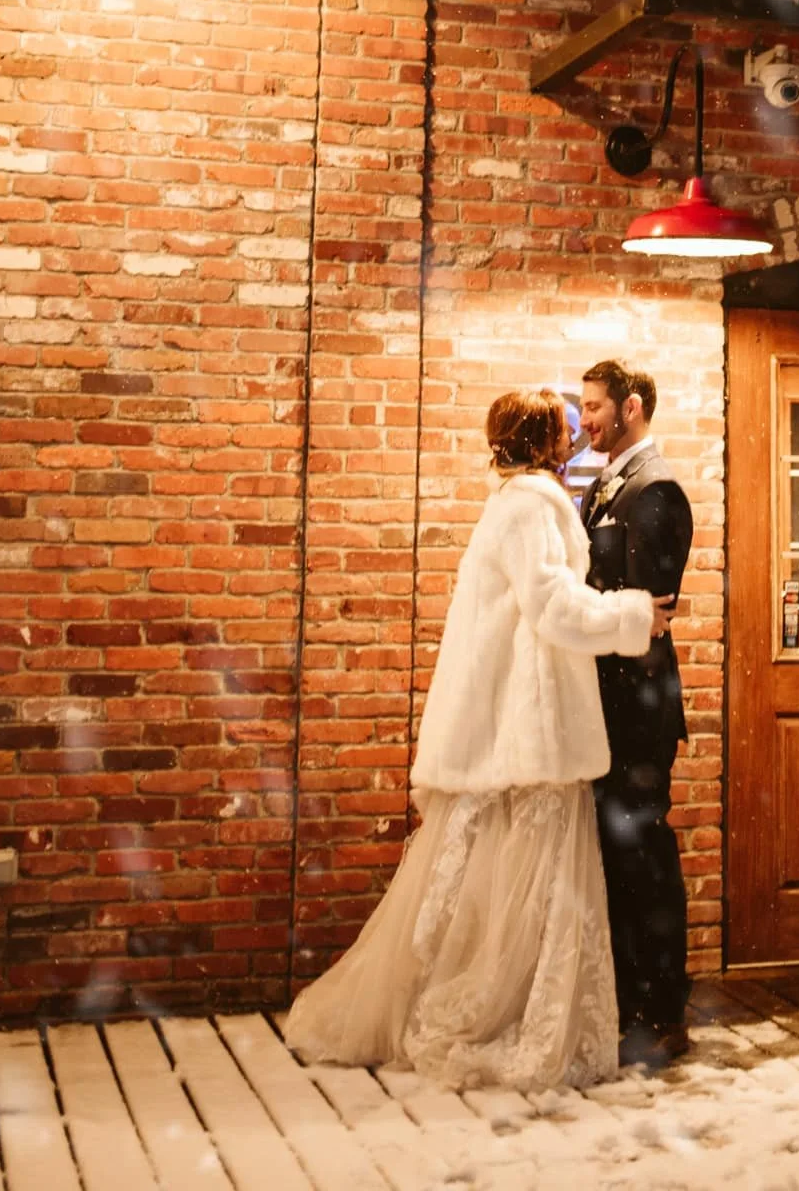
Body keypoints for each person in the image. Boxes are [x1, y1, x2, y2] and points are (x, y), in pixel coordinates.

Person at [283, 387, 673, 1090]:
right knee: (536, 881)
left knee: (500, 880)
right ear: (543, 440)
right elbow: (551, 605)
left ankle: (496, 1001)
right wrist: (633, 615)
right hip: (533, 725)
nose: (573, 433)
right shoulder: (532, 505)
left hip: (513, 724)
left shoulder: (512, 502)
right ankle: (503, 1016)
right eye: (562, 426)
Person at [578, 359, 695, 1068]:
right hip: (606, 704)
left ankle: (662, 1010)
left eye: (594, 407)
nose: (584, 419)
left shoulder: (658, 490)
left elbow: (649, 611)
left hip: (638, 706)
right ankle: (625, 1000)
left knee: (644, 856)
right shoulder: (604, 486)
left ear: (630, 408)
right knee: (616, 859)